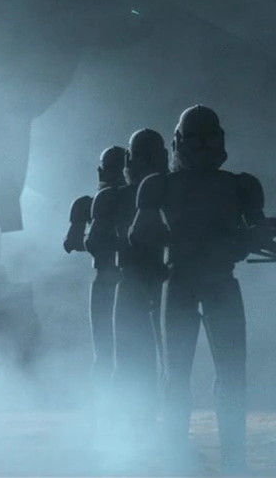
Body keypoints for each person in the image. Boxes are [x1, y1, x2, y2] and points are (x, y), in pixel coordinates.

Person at [129, 106, 274, 475]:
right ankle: (181, 459)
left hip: (213, 281)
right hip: (186, 280)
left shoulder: (238, 185)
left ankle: (230, 462)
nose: (201, 147)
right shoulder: (161, 185)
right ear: (180, 141)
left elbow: (258, 232)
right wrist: (198, 240)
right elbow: (139, 234)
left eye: (207, 139)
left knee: (227, 374)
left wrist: (250, 237)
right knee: (180, 374)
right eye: (195, 140)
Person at [113, 129, 168, 435]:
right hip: (138, 278)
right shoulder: (117, 197)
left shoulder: (168, 192)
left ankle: (146, 424)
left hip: (156, 277)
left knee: (162, 354)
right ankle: (134, 424)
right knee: (131, 353)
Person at [67, 147, 128, 384]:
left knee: (113, 349)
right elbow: (74, 242)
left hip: (120, 278)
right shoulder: (88, 204)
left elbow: (73, 242)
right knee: (107, 348)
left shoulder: (135, 200)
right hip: (113, 277)